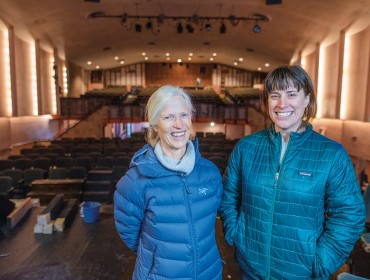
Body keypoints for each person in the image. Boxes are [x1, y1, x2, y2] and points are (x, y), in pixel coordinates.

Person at [219, 65, 366, 279]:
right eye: (274, 95)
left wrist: (321, 261)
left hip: (302, 273)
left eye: (291, 94)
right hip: (250, 268)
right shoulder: (246, 147)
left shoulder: (331, 154)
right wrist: (236, 234)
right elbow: (229, 195)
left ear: (307, 99)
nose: (281, 104)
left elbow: (350, 215)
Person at [114, 85, 223, 279]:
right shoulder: (135, 182)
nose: (179, 124)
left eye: (184, 115)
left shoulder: (210, 173)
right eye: (168, 117)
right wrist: (156, 256)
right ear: (155, 124)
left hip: (208, 272)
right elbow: (129, 234)